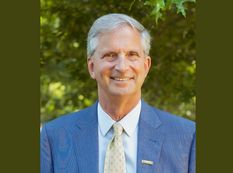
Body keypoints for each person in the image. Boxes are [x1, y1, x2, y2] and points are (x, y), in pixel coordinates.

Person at [40, 13, 195, 173]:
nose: (122, 66)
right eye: (110, 55)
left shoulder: (187, 137)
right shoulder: (54, 137)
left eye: (132, 55)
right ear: (92, 67)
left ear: (146, 66)